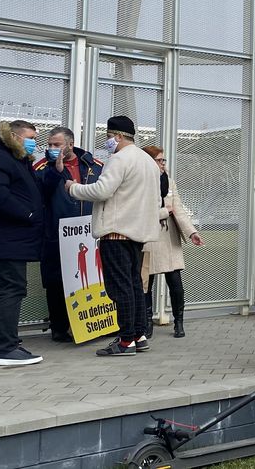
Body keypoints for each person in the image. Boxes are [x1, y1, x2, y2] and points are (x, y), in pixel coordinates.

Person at [67, 116, 162, 356]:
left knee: (120, 288)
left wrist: (73, 188)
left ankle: (126, 340)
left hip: (116, 232)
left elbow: (102, 190)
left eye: (109, 136)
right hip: (138, 234)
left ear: (118, 136)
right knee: (134, 285)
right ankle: (139, 335)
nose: (108, 141)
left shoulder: (119, 159)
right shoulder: (148, 162)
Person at [0, 120, 45, 367]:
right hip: (6, 237)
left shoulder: (14, 158)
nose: (34, 142)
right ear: (14, 136)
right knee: (11, 289)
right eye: (30, 137)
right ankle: (7, 348)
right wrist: (28, 214)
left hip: (7, 237)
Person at [33, 126, 102, 343]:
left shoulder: (94, 166)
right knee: (56, 282)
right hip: (56, 232)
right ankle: (59, 327)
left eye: (57, 144)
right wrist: (56, 171)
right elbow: (39, 194)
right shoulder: (42, 167)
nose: (52, 148)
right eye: (49, 145)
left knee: (89, 279)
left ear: (70, 144)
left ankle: (91, 324)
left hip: (88, 234)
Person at [140, 146, 203, 339]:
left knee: (175, 283)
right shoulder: (139, 182)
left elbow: (178, 210)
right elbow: (142, 212)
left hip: (168, 237)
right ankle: (146, 323)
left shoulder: (169, 182)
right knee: (146, 283)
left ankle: (179, 322)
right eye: (159, 160)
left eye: (163, 160)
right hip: (148, 237)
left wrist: (192, 232)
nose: (163, 164)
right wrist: (163, 212)